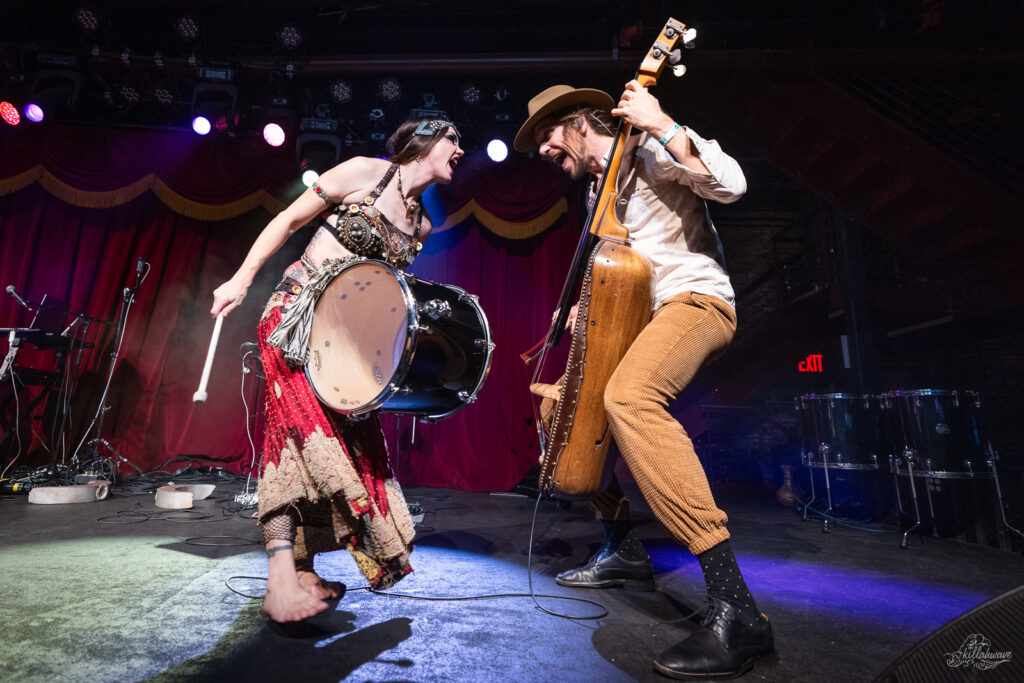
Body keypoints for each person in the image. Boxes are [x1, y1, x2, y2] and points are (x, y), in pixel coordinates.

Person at [514, 84, 773, 679]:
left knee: (630, 399)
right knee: (560, 413)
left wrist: (663, 124)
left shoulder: (651, 148)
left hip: (694, 301)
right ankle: (624, 548)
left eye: (549, 138)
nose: (546, 152)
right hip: (636, 320)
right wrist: (582, 307)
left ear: (579, 123)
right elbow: (619, 269)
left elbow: (732, 184)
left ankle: (737, 608)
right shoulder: (596, 191)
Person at [210, 117, 464, 623]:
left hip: (345, 351)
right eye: (453, 139)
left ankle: (303, 570)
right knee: (297, 439)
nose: (461, 151)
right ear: (424, 141)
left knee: (343, 453)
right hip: (294, 320)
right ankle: (280, 579)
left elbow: (382, 297)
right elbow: (288, 220)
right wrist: (241, 278)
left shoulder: (422, 227)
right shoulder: (364, 172)